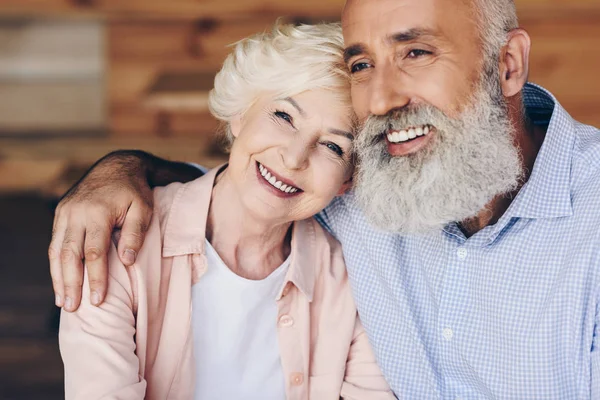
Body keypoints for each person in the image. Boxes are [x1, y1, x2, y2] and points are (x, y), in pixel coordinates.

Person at [51, 0, 600, 397]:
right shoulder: (374, 185)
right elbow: (241, 189)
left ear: (507, 64)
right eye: (362, 64)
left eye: (416, 51)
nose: (382, 99)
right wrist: (119, 170)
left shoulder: (589, 217)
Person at [58, 22, 394, 400]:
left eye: (333, 147)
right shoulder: (121, 245)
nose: (294, 157)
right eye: (283, 116)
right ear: (240, 114)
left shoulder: (355, 280)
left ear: (349, 179)